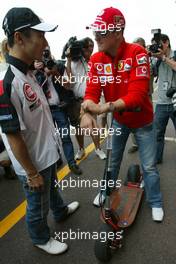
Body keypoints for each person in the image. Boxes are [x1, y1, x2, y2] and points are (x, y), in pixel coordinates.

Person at [0, 7, 79, 254]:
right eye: (40, 36)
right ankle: (40, 237)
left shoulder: (29, 72)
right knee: (37, 204)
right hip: (32, 162)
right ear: (20, 38)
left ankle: (61, 211)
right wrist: (32, 173)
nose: (45, 42)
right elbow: (12, 135)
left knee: (52, 188)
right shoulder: (8, 82)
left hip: (46, 153)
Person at [80, 7, 164, 221]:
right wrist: (86, 111)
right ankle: (105, 191)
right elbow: (90, 92)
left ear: (118, 32)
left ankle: (155, 201)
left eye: (102, 31)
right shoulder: (96, 59)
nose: (96, 36)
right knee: (112, 160)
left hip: (143, 121)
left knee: (149, 166)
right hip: (119, 121)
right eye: (95, 31)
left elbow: (138, 94)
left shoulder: (138, 52)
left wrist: (104, 108)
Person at [34, 48, 82, 175]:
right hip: (45, 111)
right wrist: (35, 70)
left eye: (47, 53)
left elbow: (68, 85)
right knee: (50, 138)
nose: (44, 56)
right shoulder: (33, 72)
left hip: (59, 109)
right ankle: (57, 159)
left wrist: (55, 73)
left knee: (65, 137)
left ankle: (72, 163)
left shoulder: (59, 66)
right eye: (42, 54)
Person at [65, 37, 106, 160]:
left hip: (90, 101)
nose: (90, 49)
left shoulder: (94, 62)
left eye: (92, 47)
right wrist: (68, 59)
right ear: (82, 48)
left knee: (93, 126)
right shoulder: (72, 63)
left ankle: (98, 148)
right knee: (78, 128)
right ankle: (81, 149)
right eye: (88, 47)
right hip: (76, 101)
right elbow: (69, 83)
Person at [151, 34, 176, 164]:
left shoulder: (174, 54)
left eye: (159, 44)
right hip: (161, 103)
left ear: (166, 43)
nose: (158, 47)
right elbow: (150, 72)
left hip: (175, 102)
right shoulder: (156, 59)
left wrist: (164, 58)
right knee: (157, 134)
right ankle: (157, 158)